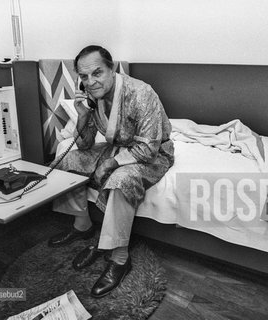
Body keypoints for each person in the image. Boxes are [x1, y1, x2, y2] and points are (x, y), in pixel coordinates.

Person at [48, 45, 174, 298]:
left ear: (112, 68)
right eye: (84, 77)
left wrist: (111, 163)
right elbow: (83, 144)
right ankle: (82, 225)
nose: (91, 82)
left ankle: (119, 258)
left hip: (151, 153)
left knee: (120, 179)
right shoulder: (94, 96)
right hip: (116, 147)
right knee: (69, 160)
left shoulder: (140, 93)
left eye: (97, 73)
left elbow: (149, 147)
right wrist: (83, 115)